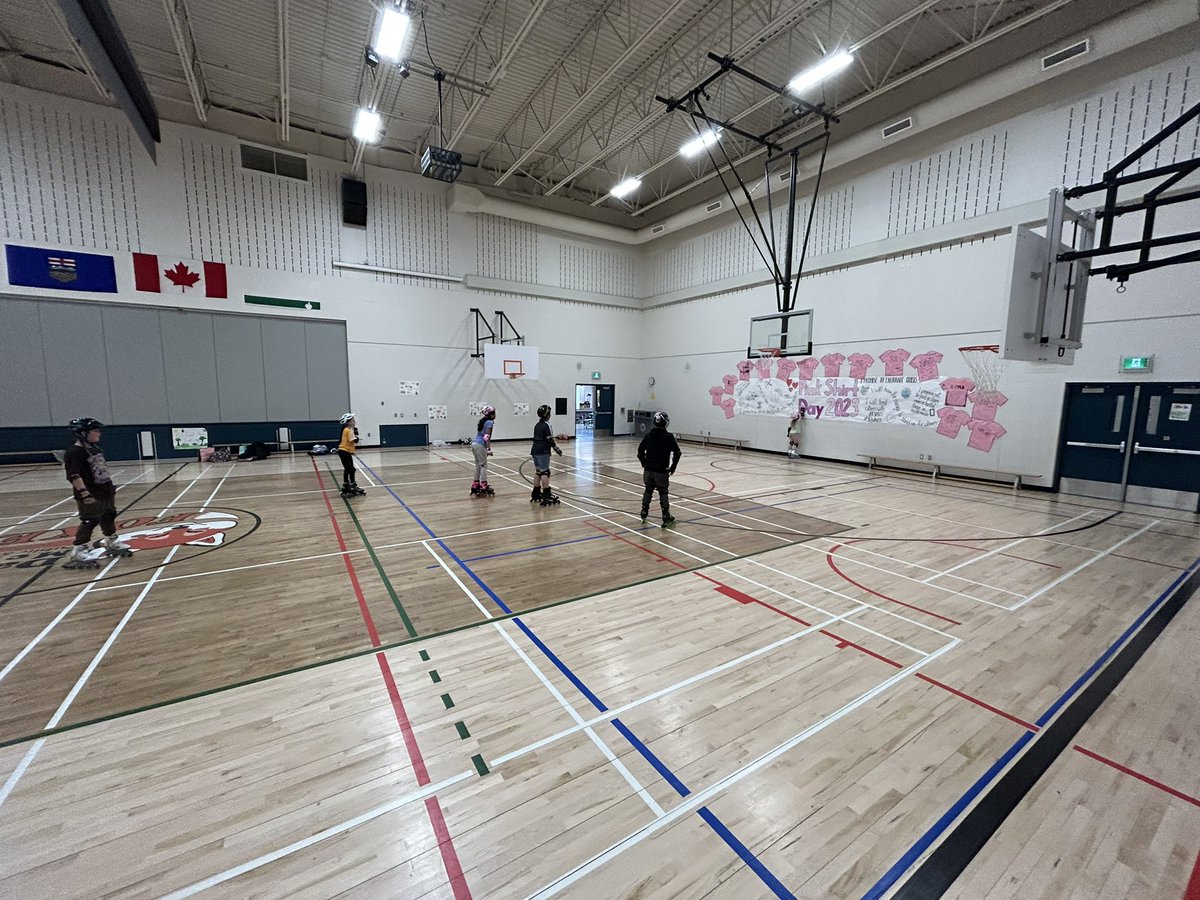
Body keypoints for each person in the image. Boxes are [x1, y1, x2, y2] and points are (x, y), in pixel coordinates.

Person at [62, 417, 132, 569]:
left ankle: (111, 541)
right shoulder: (74, 452)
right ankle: (78, 549)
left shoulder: (95, 449)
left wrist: (110, 487)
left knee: (109, 515)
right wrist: (84, 493)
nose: (98, 433)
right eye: (95, 431)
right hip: (90, 493)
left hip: (105, 490)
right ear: (83, 433)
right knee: (90, 520)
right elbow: (74, 475)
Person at [637, 411, 681, 527]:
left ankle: (644, 510)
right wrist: (673, 467)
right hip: (661, 471)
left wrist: (644, 463)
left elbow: (640, 451)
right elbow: (677, 453)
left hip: (648, 470)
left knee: (648, 490)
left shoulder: (648, 435)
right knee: (663, 492)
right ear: (666, 422)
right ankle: (666, 514)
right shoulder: (668, 437)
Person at [530, 403, 563, 505]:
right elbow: (549, 439)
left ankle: (535, 493)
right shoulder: (547, 425)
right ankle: (546, 494)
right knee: (545, 472)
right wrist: (556, 448)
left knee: (538, 471)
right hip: (543, 451)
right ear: (547, 414)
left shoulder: (537, 425)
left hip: (535, 450)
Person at [471, 405, 496, 497]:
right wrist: (488, 448)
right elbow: (487, 437)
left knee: (478, 465)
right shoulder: (489, 422)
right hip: (480, 444)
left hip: (474, 443)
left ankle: (475, 484)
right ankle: (483, 485)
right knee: (483, 466)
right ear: (491, 414)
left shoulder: (482, 421)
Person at [337, 412, 365, 496]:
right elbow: (353, 440)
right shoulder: (348, 430)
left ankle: (347, 485)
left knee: (348, 469)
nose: (354, 422)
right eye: (353, 420)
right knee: (351, 469)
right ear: (348, 422)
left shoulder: (346, 429)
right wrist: (356, 436)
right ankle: (352, 485)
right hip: (344, 451)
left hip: (344, 451)